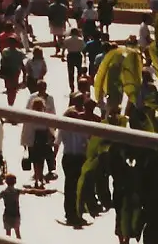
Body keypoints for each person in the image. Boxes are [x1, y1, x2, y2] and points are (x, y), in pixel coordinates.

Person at [57, 97, 90, 227]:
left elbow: (86, 143)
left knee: (78, 187)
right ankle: (70, 214)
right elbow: (57, 142)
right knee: (70, 187)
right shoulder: (64, 128)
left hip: (79, 158)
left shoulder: (81, 129)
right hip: (70, 158)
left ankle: (78, 213)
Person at [20, 97, 54, 188]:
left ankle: (38, 177)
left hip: (38, 140)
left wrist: (24, 142)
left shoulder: (32, 116)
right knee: (39, 160)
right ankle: (39, 177)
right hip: (39, 139)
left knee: (37, 161)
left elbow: (26, 130)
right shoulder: (38, 116)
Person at [0, 172, 22, 239]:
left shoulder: (4, 193)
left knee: (8, 235)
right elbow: (29, 191)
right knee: (18, 233)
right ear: (15, 182)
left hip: (7, 214)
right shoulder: (17, 191)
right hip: (16, 214)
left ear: (6, 182)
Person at [0, 37, 26, 107]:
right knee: (9, 89)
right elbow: (2, 62)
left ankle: (11, 104)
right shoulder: (5, 51)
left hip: (15, 72)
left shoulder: (19, 53)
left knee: (13, 89)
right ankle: (10, 103)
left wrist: (24, 75)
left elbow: (21, 63)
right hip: (7, 72)